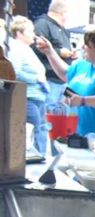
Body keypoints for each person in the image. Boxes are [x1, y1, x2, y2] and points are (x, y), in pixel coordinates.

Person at [7, 16, 48, 155]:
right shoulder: (16, 49)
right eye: (30, 31)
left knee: (39, 131)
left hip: (36, 97)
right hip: (27, 97)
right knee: (33, 132)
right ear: (19, 33)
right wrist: (37, 78)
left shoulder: (26, 49)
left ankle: (39, 159)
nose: (34, 35)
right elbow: (14, 73)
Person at [34, 0, 75, 109]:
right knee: (49, 112)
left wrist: (71, 54)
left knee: (62, 112)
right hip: (50, 78)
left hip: (62, 81)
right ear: (62, 13)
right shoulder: (42, 24)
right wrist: (59, 52)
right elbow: (35, 46)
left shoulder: (62, 29)